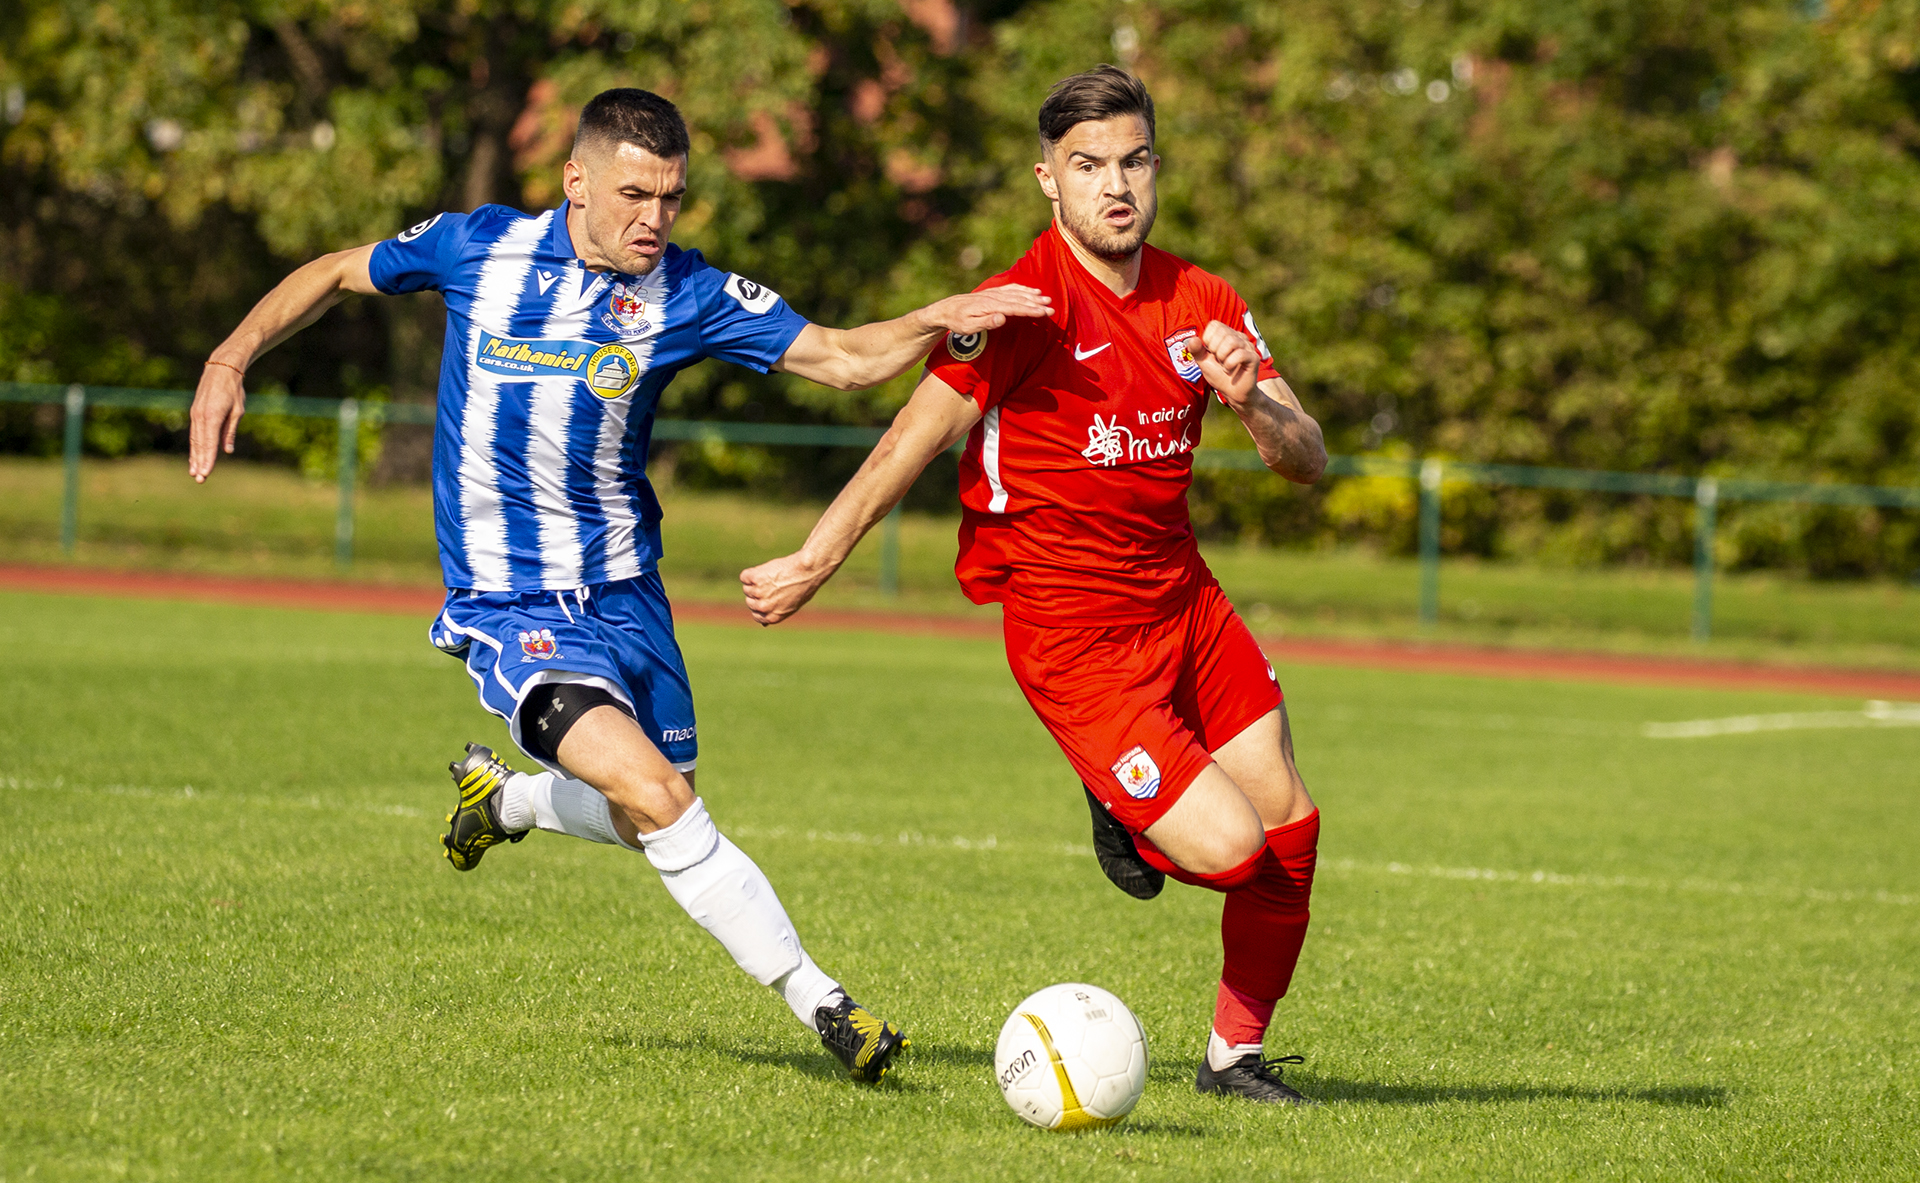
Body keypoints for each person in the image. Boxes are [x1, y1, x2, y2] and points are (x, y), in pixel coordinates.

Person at [186, 86, 1050, 1085]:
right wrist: (231, 353)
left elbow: (848, 361)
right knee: (657, 793)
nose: (655, 218)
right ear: (577, 181)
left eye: (673, 198)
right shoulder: (478, 249)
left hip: (630, 599)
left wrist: (937, 318)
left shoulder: (687, 294)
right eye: (636, 194)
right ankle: (828, 1005)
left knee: (657, 815)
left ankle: (503, 804)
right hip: (510, 603)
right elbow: (339, 271)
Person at [740, 66, 1329, 1103]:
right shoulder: (1019, 311)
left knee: (1294, 824)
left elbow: (1307, 456)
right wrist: (812, 560)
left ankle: (1235, 1057)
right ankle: (1116, 794)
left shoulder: (1205, 302)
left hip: (1183, 600)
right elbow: (905, 446)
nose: (1118, 187)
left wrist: (1253, 405)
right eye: (1090, 165)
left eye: (1135, 161)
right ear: (1047, 179)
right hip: (1075, 637)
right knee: (1236, 850)